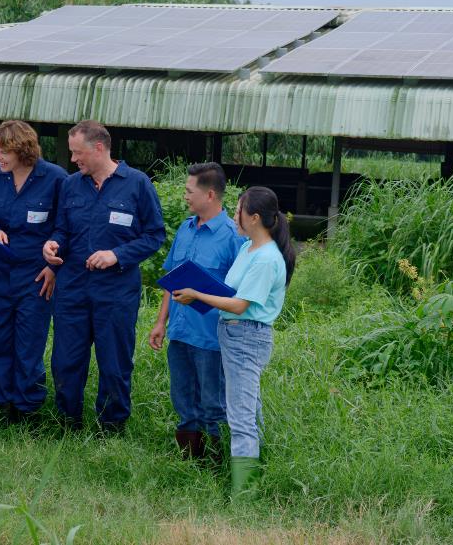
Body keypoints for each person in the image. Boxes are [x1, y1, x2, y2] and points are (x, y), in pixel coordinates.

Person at [43, 120, 166, 434]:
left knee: (114, 363)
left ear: (99, 148)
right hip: (72, 290)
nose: (73, 160)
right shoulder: (71, 185)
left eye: (77, 152)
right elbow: (61, 230)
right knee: (66, 362)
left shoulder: (137, 184)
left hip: (116, 293)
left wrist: (117, 255)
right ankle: (67, 424)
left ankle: (110, 429)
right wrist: (53, 244)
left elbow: (154, 235)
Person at [171, 186, 296, 496]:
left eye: (239, 210)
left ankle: (245, 493)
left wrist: (198, 294)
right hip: (233, 334)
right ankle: (256, 473)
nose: (234, 215)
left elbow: (240, 304)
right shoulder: (248, 249)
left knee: (240, 418)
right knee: (250, 408)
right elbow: (230, 293)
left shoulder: (266, 259)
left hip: (246, 337)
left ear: (254, 217)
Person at [148, 162, 242, 461]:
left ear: (210, 194)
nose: (185, 196)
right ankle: (190, 460)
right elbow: (171, 279)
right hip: (180, 331)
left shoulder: (233, 236)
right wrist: (160, 322)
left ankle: (217, 463)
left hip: (211, 337)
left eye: (189, 191)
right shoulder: (185, 230)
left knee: (212, 404)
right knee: (183, 401)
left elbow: (241, 292)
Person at [0, 121, 67, 424]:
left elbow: (65, 226)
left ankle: (28, 408)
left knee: (29, 342)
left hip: (37, 275)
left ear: (22, 150)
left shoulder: (54, 178)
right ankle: (2, 405)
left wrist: (53, 266)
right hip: (2, 271)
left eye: (4, 151)